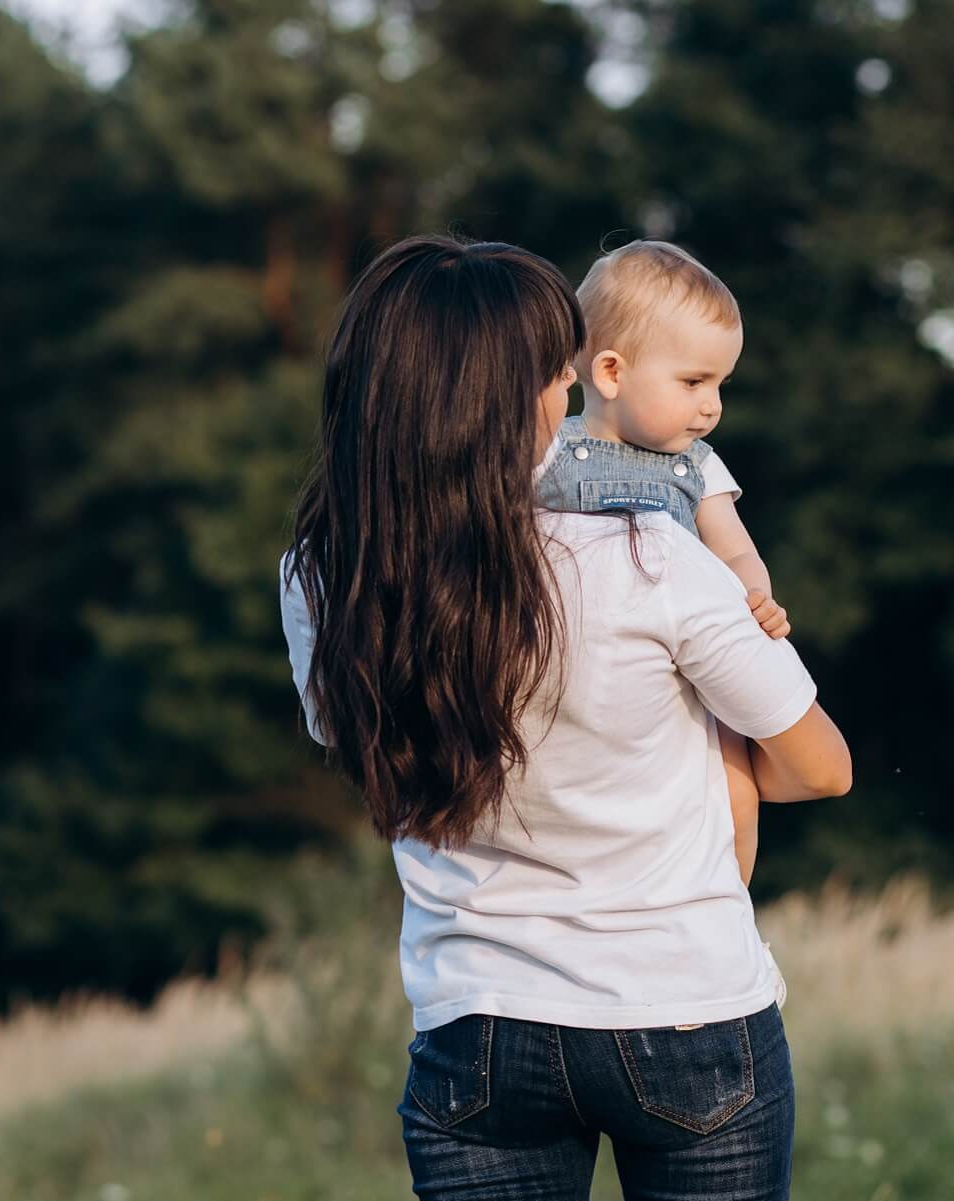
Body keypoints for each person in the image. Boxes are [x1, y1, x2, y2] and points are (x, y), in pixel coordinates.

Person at [279, 233, 851, 1201]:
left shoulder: (325, 577)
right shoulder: (648, 557)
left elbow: (366, 747)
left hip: (476, 1024)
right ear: (504, 396)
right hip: (681, 1006)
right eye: (552, 369)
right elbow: (818, 766)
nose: (565, 389)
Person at [534, 238, 787, 987]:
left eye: (721, 383)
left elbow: (736, 550)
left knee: (736, 792)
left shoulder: (698, 466)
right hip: (589, 675)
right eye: (694, 380)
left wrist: (756, 596)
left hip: (693, 668)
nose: (711, 404)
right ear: (609, 371)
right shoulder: (549, 453)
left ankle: (724, 918)